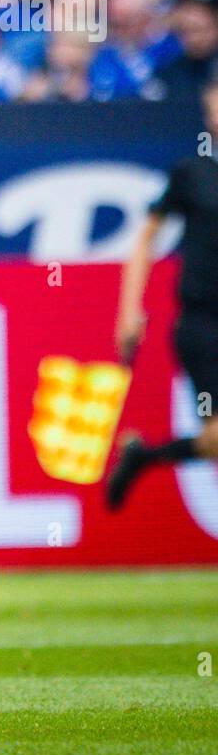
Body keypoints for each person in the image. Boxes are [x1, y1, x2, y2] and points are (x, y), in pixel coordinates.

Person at [108, 77, 218, 507]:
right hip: (204, 323)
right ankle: (143, 456)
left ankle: (144, 455)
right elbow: (146, 237)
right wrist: (129, 309)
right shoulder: (194, 172)